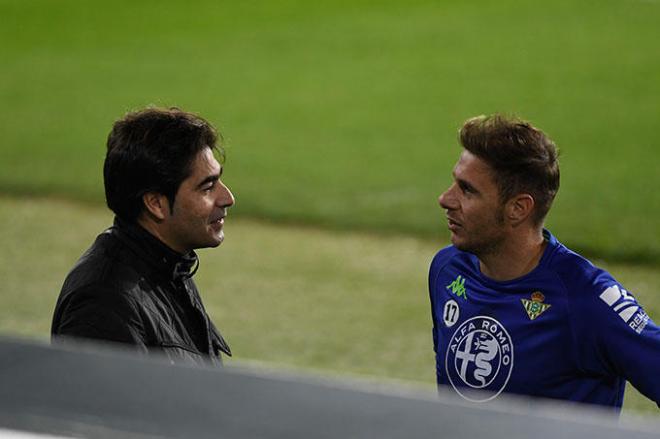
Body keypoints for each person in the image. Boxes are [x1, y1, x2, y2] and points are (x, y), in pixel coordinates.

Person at [429, 114, 660, 410]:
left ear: (518, 208)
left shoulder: (586, 300)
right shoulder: (447, 270)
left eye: (467, 190)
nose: (445, 199)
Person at [52, 107, 234, 366]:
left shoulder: (169, 267)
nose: (228, 198)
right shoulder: (103, 304)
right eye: (207, 187)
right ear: (156, 204)